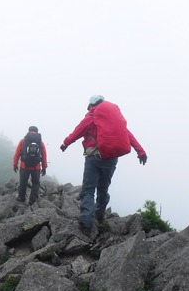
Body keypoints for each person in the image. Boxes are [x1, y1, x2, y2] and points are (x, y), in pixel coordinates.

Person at [60, 95, 147, 231]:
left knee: (88, 189)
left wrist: (65, 143)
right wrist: (140, 151)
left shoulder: (91, 116)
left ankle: (86, 221)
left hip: (93, 157)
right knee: (103, 188)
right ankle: (99, 215)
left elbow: (77, 132)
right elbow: (128, 135)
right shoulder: (114, 120)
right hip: (111, 158)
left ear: (92, 105)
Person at [13, 126, 48, 204]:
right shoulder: (40, 142)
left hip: (24, 166)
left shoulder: (23, 141)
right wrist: (44, 167)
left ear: (29, 131)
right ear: (37, 132)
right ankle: (33, 199)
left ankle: (21, 197)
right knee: (36, 183)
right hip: (36, 167)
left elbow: (17, 154)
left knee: (23, 182)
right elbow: (44, 155)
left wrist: (15, 164)